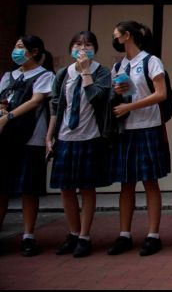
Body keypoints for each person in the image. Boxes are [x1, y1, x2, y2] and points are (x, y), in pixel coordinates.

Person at [106, 21, 171, 257]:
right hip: (125, 129)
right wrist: (118, 96)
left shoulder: (150, 61)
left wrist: (130, 106)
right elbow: (117, 95)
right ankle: (124, 234)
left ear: (127, 36)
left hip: (148, 127)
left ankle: (153, 235)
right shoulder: (119, 65)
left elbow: (161, 94)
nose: (114, 39)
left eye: (116, 35)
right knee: (126, 183)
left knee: (150, 181)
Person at [47, 31, 112, 258]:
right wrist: (49, 136)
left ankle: (85, 236)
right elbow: (56, 105)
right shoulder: (63, 73)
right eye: (77, 44)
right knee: (66, 188)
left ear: (95, 48)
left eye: (88, 45)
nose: (82, 48)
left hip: (90, 137)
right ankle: (73, 233)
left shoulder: (102, 72)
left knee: (86, 188)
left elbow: (97, 98)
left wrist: (85, 72)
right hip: (65, 136)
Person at [0, 36, 54, 257]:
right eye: (15, 47)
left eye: (21, 47)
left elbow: (36, 100)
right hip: (6, 138)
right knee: (3, 188)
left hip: (32, 138)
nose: (16, 51)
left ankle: (28, 236)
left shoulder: (45, 75)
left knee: (29, 189)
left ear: (34, 51)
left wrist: (9, 116)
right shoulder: (8, 76)